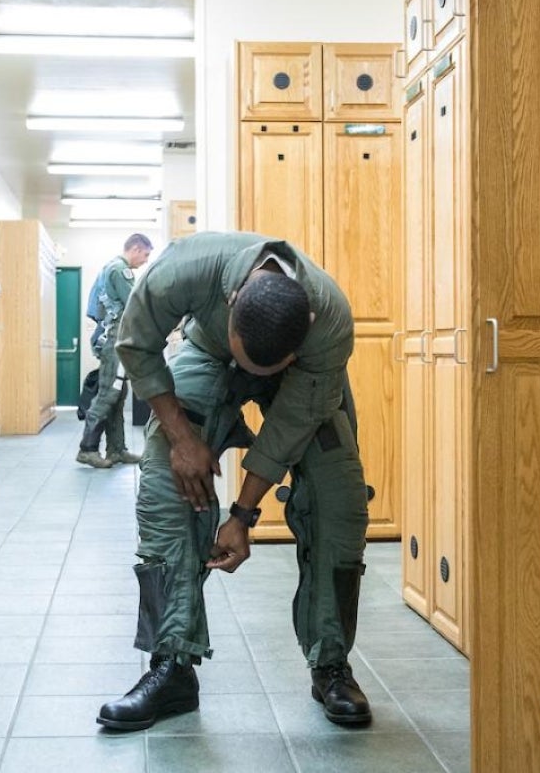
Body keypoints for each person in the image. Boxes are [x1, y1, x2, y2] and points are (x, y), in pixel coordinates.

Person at [96, 231, 371, 730]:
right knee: (163, 476)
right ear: (231, 302)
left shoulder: (329, 322)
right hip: (207, 353)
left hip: (303, 381)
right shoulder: (183, 269)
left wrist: (242, 514)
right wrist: (183, 439)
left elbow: (290, 425)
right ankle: (171, 665)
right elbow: (135, 345)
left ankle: (331, 664)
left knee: (340, 494)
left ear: (305, 325)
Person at [76, 233, 154, 469]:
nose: (146, 260)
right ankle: (87, 449)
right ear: (136, 249)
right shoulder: (120, 270)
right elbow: (135, 302)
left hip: (118, 339)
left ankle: (117, 449)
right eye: (146, 255)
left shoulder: (111, 267)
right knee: (109, 393)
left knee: (118, 395)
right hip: (117, 340)